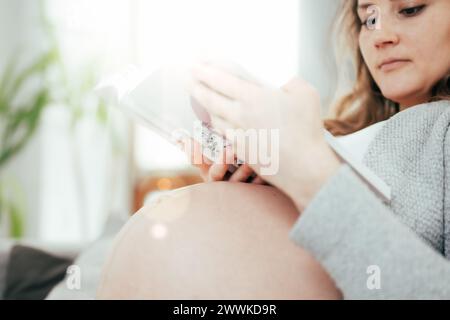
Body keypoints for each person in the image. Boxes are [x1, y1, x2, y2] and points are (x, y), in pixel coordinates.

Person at [96, 0, 450, 299]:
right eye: (368, 18)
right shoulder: (334, 132)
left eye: (410, 9)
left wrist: (310, 173)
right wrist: (248, 192)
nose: (380, 36)